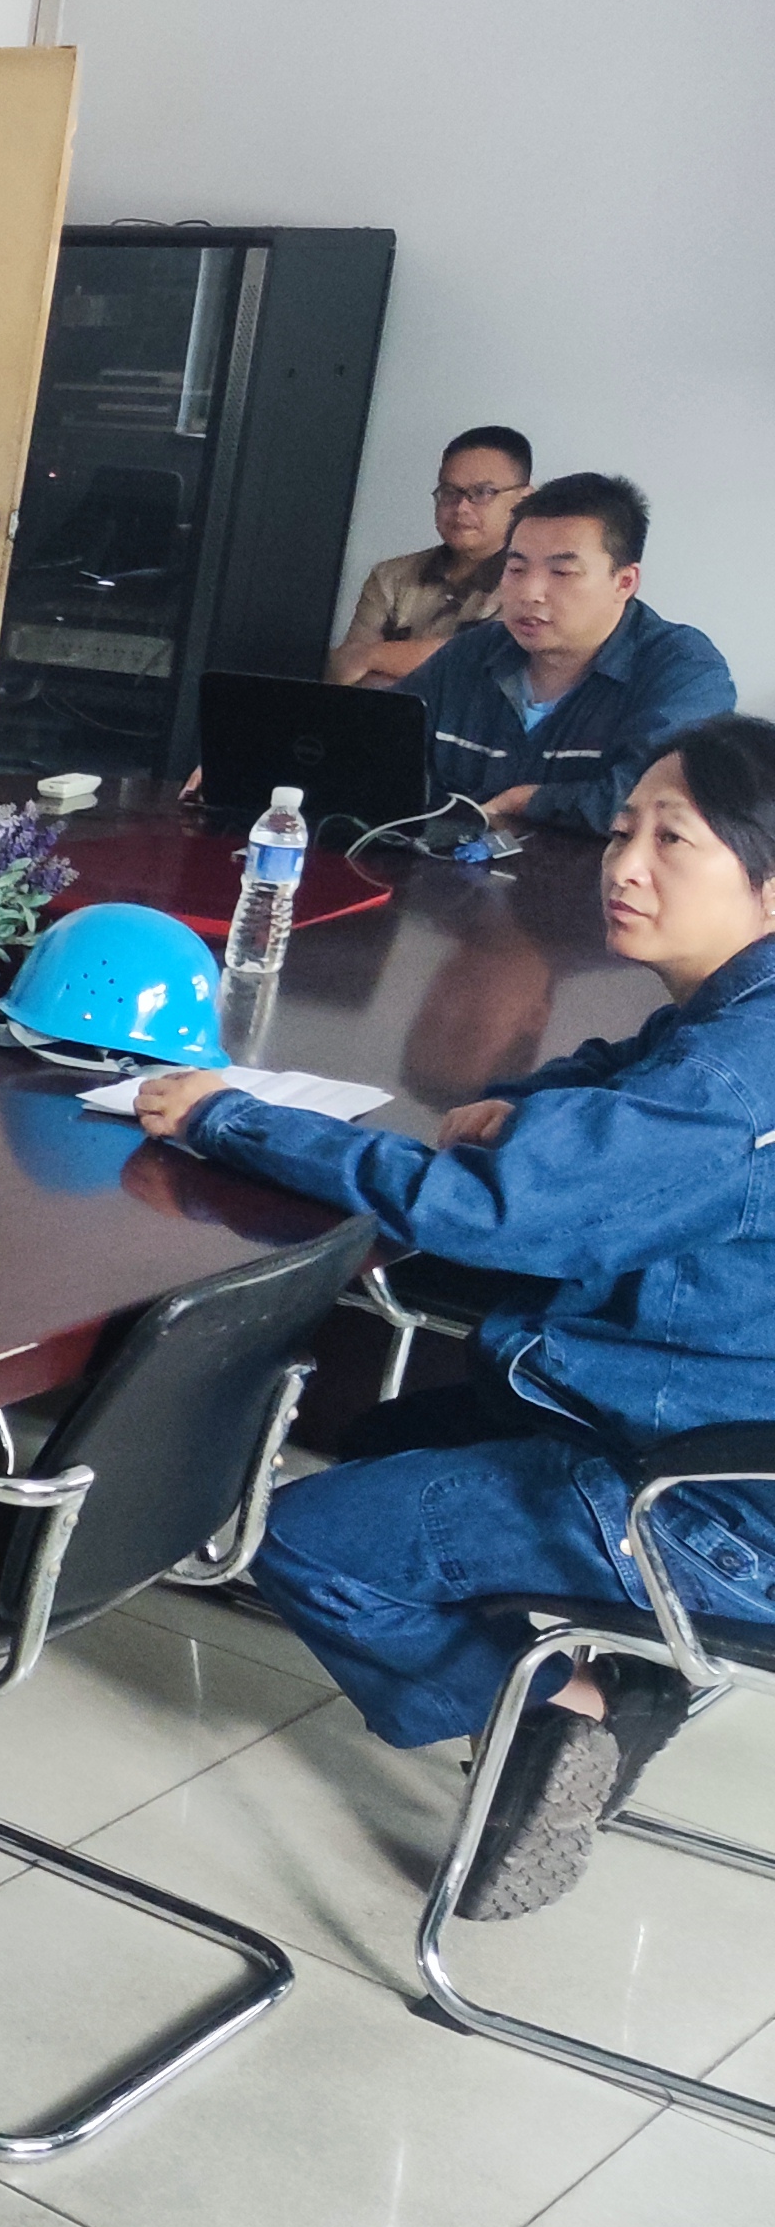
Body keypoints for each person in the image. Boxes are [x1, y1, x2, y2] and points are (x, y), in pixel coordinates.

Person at [131, 713, 775, 1918]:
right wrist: (527, 1102)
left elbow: (483, 1212)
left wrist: (227, 1117)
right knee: (387, 1440)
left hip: (711, 1500)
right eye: (622, 829)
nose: (624, 864)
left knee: (308, 1540)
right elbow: (623, 1073)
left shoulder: (733, 1079)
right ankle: (598, 1678)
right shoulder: (740, 1017)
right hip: (720, 1432)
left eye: (671, 840)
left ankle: (574, 1711)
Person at [394, 472, 735, 834]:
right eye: (516, 569)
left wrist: (525, 802)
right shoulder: (471, 654)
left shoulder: (685, 669)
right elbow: (378, 752)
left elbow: (654, 803)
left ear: (624, 582)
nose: (530, 593)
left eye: (562, 572)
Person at [327, 426, 527, 686]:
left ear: (524, 499)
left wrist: (374, 656)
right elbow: (346, 670)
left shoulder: (530, 583)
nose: (461, 507)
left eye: (482, 493)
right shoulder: (391, 577)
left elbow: (486, 670)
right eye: (450, 492)